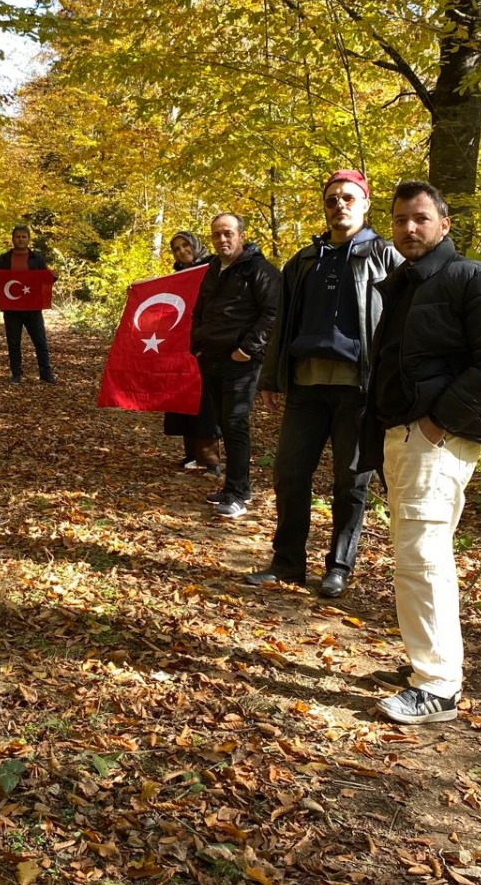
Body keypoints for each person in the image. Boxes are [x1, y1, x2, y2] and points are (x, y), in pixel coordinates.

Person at [364, 181, 481, 724]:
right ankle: (425, 666)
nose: (409, 228)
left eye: (421, 218)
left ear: (444, 224)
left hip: (437, 438)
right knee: (418, 552)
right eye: (400, 219)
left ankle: (437, 686)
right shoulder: (404, 284)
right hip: (403, 435)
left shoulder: (474, 278)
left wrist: (437, 423)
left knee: (422, 555)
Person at [248, 171, 401, 597]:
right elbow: (283, 323)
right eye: (332, 199)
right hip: (305, 386)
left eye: (348, 198)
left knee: (351, 481)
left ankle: (338, 567)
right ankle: (287, 563)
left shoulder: (386, 257)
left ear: (365, 204)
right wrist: (272, 377)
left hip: (359, 390)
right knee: (290, 473)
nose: (340, 206)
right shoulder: (303, 261)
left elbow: (404, 325)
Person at [190, 213, 280, 519]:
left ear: (241, 235)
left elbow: (272, 313)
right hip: (211, 358)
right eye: (216, 235)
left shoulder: (259, 269)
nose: (222, 240)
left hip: (240, 362)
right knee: (224, 424)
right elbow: (200, 310)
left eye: (228, 233)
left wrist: (246, 350)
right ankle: (230, 487)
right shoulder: (214, 268)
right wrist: (198, 345)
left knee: (236, 424)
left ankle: (240, 493)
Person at [161, 230, 222, 472]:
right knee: (183, 396)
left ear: (196, 244)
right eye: (176, 248)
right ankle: (191, 454)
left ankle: (211, 460)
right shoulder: (178, 276)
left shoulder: (214, 268)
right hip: (181, 345)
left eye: (186, 245)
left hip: (207, 344)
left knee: (206, 401)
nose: (182, 251)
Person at [0, 225, 57, 384]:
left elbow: (44, 281)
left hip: (33, 308)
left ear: (28, 239)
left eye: (23, 237)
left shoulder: (37, 259)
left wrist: (53, 277)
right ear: (12, 239)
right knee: (13, 342)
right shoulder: (3, 259)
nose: (20, 240)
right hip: (11, 308)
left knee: (40, 341)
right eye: (17, 237)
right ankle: (16, 373)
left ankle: (46, 373)